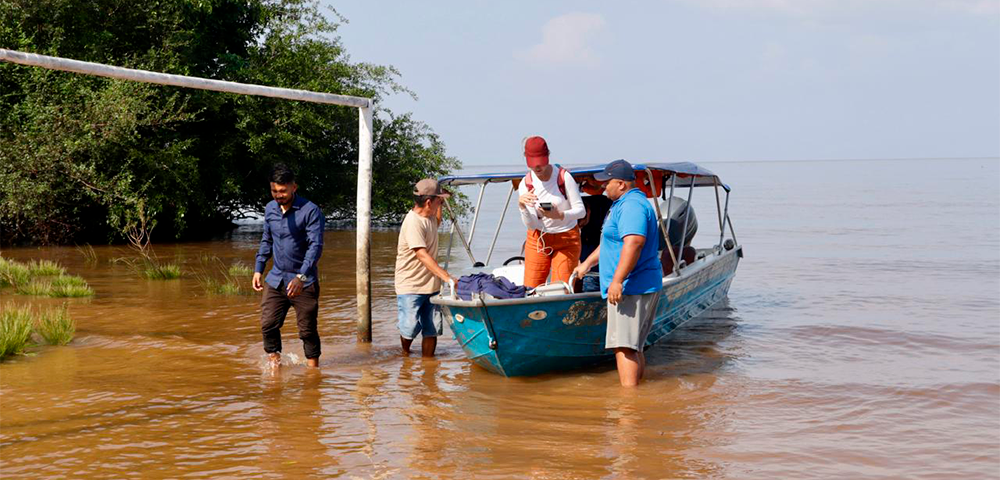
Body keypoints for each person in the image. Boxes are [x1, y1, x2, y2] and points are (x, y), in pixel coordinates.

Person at [572, 160, 663, 387]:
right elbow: (611, 241)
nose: (602, 187)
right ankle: (637, 400)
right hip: (635, 285)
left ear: (621, 184)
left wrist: (617, 281)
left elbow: (633, 243)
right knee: (633, 347)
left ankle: (628, 409)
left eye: (606, 183)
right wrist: (587, 264)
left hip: (632, 287)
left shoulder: (632, 206)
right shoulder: (623, 203)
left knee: (624, 348)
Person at [253, 163, 325, 369]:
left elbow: (315, 247)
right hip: (276, 278)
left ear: (294, 187)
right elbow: (266, 240)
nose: (278, 195)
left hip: (304, 280)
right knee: (268, 325)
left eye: (283, 191)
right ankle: (275, 366)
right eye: (274, 191)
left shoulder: (310, 211)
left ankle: (313, 373)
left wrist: (301, 277)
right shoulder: (269, 209)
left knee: (307, 331)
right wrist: (259, 268)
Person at [395, 178, 457, 357]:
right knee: (409, 327)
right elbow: (422, 254)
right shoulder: (413, 222)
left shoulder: (429, 217)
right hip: (410, 285)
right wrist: (447, 277)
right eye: (439, 201)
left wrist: (443, 201)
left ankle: (428, 365)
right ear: (429, 202)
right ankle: (405, 354)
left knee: (432, 328)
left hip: (431, 285)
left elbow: (437, 220)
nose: (441, 204)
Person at [517, 135, 585, 288]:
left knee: (560, 288)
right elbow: (531, 225)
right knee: (531, 289)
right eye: (533, 164)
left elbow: (581, 212)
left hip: (567, 237)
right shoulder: (525, 184)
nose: (538, 168)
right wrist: (523, 208)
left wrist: (560, 215)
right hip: (538, 239)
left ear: (548, 156)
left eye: (541, 163)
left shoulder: (563, 177)